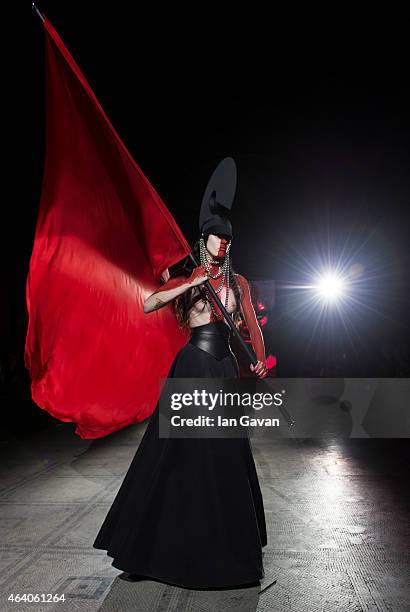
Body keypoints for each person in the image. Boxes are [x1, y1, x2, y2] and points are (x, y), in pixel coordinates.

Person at [93, 165, 268, 590]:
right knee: (171, 459)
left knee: (224, 461)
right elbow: (150, 303)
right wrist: (190, 283)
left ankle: (229, 553)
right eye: (217, 236)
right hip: (191, 369)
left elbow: (252, 326)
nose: (223, 242)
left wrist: (258, 362)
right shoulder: (189, 278)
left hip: (224, 369)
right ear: (203, 239)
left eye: (228, 237)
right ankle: (145, 550)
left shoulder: (238, 282)